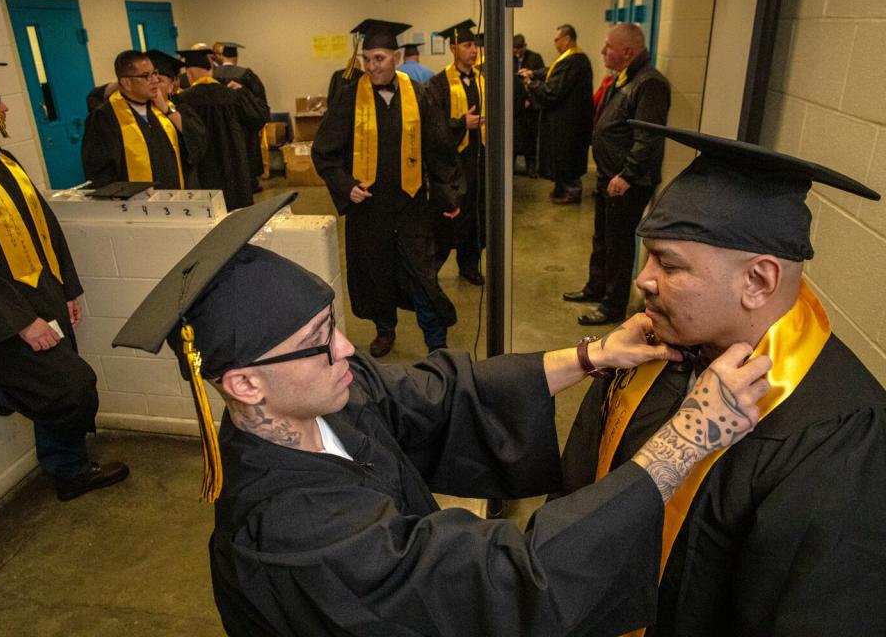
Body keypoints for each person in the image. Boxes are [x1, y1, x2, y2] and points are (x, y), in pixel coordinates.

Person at [111, 191, 773, 636]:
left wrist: (594, 354)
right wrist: (682, 443)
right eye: (318, 342)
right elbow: (492, 582)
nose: (346, 348)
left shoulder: (322, 394)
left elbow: (441, 393)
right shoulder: (288, 528)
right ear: (246, 386)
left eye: (334, 323)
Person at [553, 121, 886, 636]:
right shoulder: (651, 352)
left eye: (668, 263)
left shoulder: (837, 434)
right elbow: (576, 489)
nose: (643, 278)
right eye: (648, 254)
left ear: (758, 281)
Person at [0, 61, 129, 501]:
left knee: (63, 388)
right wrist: (20, 321)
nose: (5, 109)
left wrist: (67, 286)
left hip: (44, 295)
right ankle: (62, 463)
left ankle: (69, 466)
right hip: (5, 315)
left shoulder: (2, 161)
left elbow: (45, 226)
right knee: (72, 385)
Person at [312, 20, 464, 358]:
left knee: (422, 274)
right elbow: (323, 151)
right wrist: (345, 186)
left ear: (395, 56)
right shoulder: (350, 97)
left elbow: (439, 149)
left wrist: (447, 194)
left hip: (412, 205)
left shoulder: (420, 95)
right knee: (377, 272)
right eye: (367, 59)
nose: (371, 66)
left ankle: (436, 342)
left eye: (379, 58)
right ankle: (385, 329)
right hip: (369, 208)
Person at [562, 23, 670, 325]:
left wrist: (627, 174)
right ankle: (596, 288)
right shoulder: (623, 78)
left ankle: (612, 306)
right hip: (609, 176)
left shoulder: (650, 83)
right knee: (603, 239)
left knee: (619, 244)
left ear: (627, 51)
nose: (602, 51)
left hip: (627, 181)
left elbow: (648, 138)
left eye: (608, 46)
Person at [82, 50, 202, 190]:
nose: (155, 80)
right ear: (126, 82)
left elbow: (197, 144)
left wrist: (167, 110)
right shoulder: (104, 118)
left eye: (155, 73)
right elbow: (101, 175)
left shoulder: (163, 109)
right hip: (133, 207)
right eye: (146, 76)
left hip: (174, 203)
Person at [426, 20, 487, 286]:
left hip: (480, 160)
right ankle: (431, 270)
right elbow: (434, 127)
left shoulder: (483, 80)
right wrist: (463, 123)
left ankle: (469, 265)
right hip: (453, 165)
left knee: (476, 217)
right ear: (453, 48)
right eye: (467, 45)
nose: (474, 50)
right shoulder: (438, 84)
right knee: (450, 218)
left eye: (475, 45)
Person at [173, 48, 269, 211]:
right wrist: (243, 91)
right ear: (211, 70)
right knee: (238, 213)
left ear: (188, 74)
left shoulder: (182, 100)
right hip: (236, 164)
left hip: (204, 169)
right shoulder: (233, 95)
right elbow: (259, 117)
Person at [520, 24, 592, 205]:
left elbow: (553, 90)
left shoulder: (574, 60)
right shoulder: (569, 58)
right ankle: (562, 187)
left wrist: (530, 83)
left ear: (566, 39)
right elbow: (551, 71)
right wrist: (534, 73)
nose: (555, 43)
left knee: (567, 155)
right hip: (564, 119)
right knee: (560, 154)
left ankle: (572, 191)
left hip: (569, 121)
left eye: (556, 39)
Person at [211, 41, 270, 193]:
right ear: (236, 57)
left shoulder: (212, 76)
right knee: (246, 155)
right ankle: (250, 184)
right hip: (245, 126)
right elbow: (260, 103)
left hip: (220, 128)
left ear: (221, 57)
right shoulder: (245, 74)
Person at [512, 34, 544, 178]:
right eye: (515, 50)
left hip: (530, 107)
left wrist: (530, 99)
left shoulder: (535, 58)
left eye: (520, 49)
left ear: (525, 45)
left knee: (530, 139)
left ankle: (531, 168)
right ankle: (510, 168)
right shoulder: (508, 58)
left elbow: (541, 80)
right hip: (514, 107)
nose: (517, 53)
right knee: (513, 138)